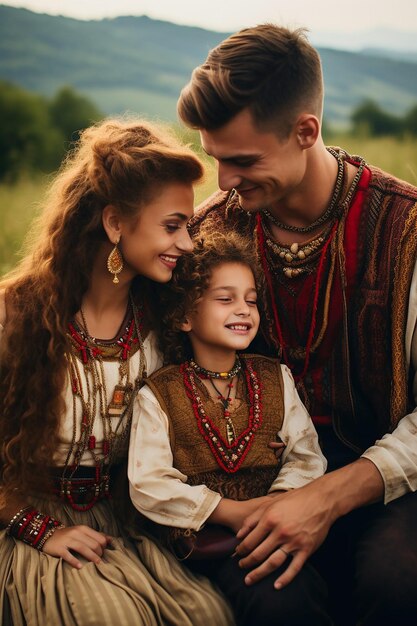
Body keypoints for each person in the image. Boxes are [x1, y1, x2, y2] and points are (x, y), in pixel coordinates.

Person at [177, 23, 417, 626]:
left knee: (398, 578)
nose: (225, 182)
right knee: (268, 590)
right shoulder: (209, 235)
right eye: (215, 160)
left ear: (305, 130)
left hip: (389, 470)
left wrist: (329, 496)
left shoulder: (406, 232)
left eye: (242, 160)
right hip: (252, 477)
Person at [0, 117, 234, 626]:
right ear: (114, 224)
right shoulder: (15, 314)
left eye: (188, 227)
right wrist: (39, 528)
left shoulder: (164, 318)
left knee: (209, 614)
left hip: (128, 521)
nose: (187, 244)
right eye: (172, 226)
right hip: (31, 521)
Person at [128, 230, 327, 626]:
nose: (243, 309)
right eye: (225, 299)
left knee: (300, 589)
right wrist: (228, 512)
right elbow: (147, 482)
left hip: (279, 527)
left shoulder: (275, 378)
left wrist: (281, 501)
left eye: (251, 300)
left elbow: (306, 454)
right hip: (203, 545)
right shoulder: (160, 394)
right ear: (184, 316)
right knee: (270, 597)